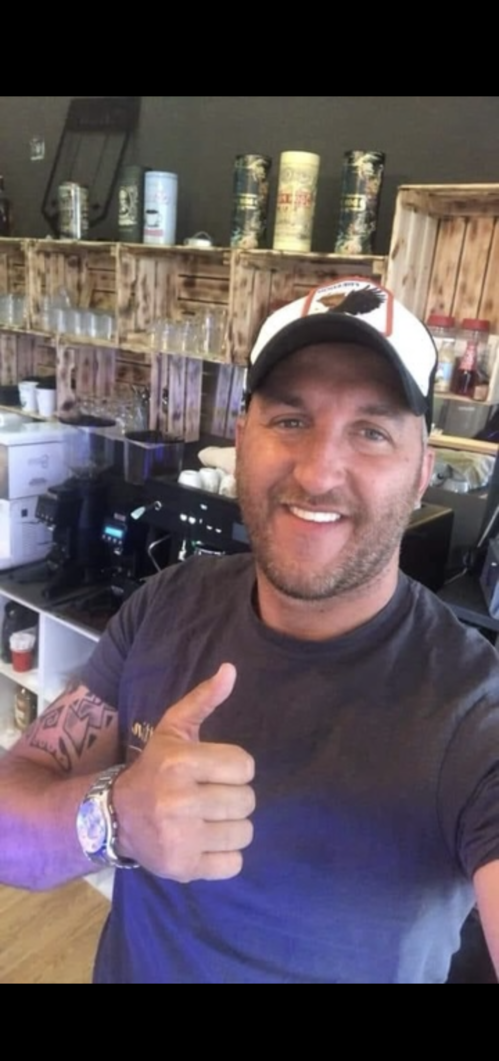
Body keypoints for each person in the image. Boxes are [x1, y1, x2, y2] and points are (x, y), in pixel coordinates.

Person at [1, 276, 498, 985]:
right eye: (290, 420)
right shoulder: (169, 603)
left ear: (421, 473)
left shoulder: (472, 712)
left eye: (371, 431)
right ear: (241, 442)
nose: (318, 472)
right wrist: (114, 818)